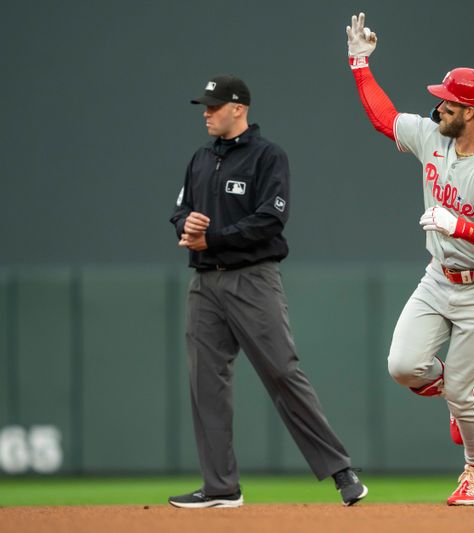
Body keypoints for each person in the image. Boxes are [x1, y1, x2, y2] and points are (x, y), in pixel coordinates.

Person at [345, 13, 474, 506]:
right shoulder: (433, 137)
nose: (438, 104)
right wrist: (360, 63)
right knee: (404, 366)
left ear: (470, 112)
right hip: (437, 279)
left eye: (448, 99)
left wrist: (459, 226)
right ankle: (456, 393)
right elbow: (384, 118)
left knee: (464, 393)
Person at [167, 74, 368, 508]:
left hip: (252, 278)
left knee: (281, 372)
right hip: (204, 282)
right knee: (206, 383)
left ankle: (341, 471)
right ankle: (221, 487)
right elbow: (179, 210)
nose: (206, 113)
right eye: (205, 105)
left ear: (239, 108)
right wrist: (188, 226)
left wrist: (213, 237)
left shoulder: (267, 157)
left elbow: (270, 219)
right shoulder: (201, 158)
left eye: (214, 106)